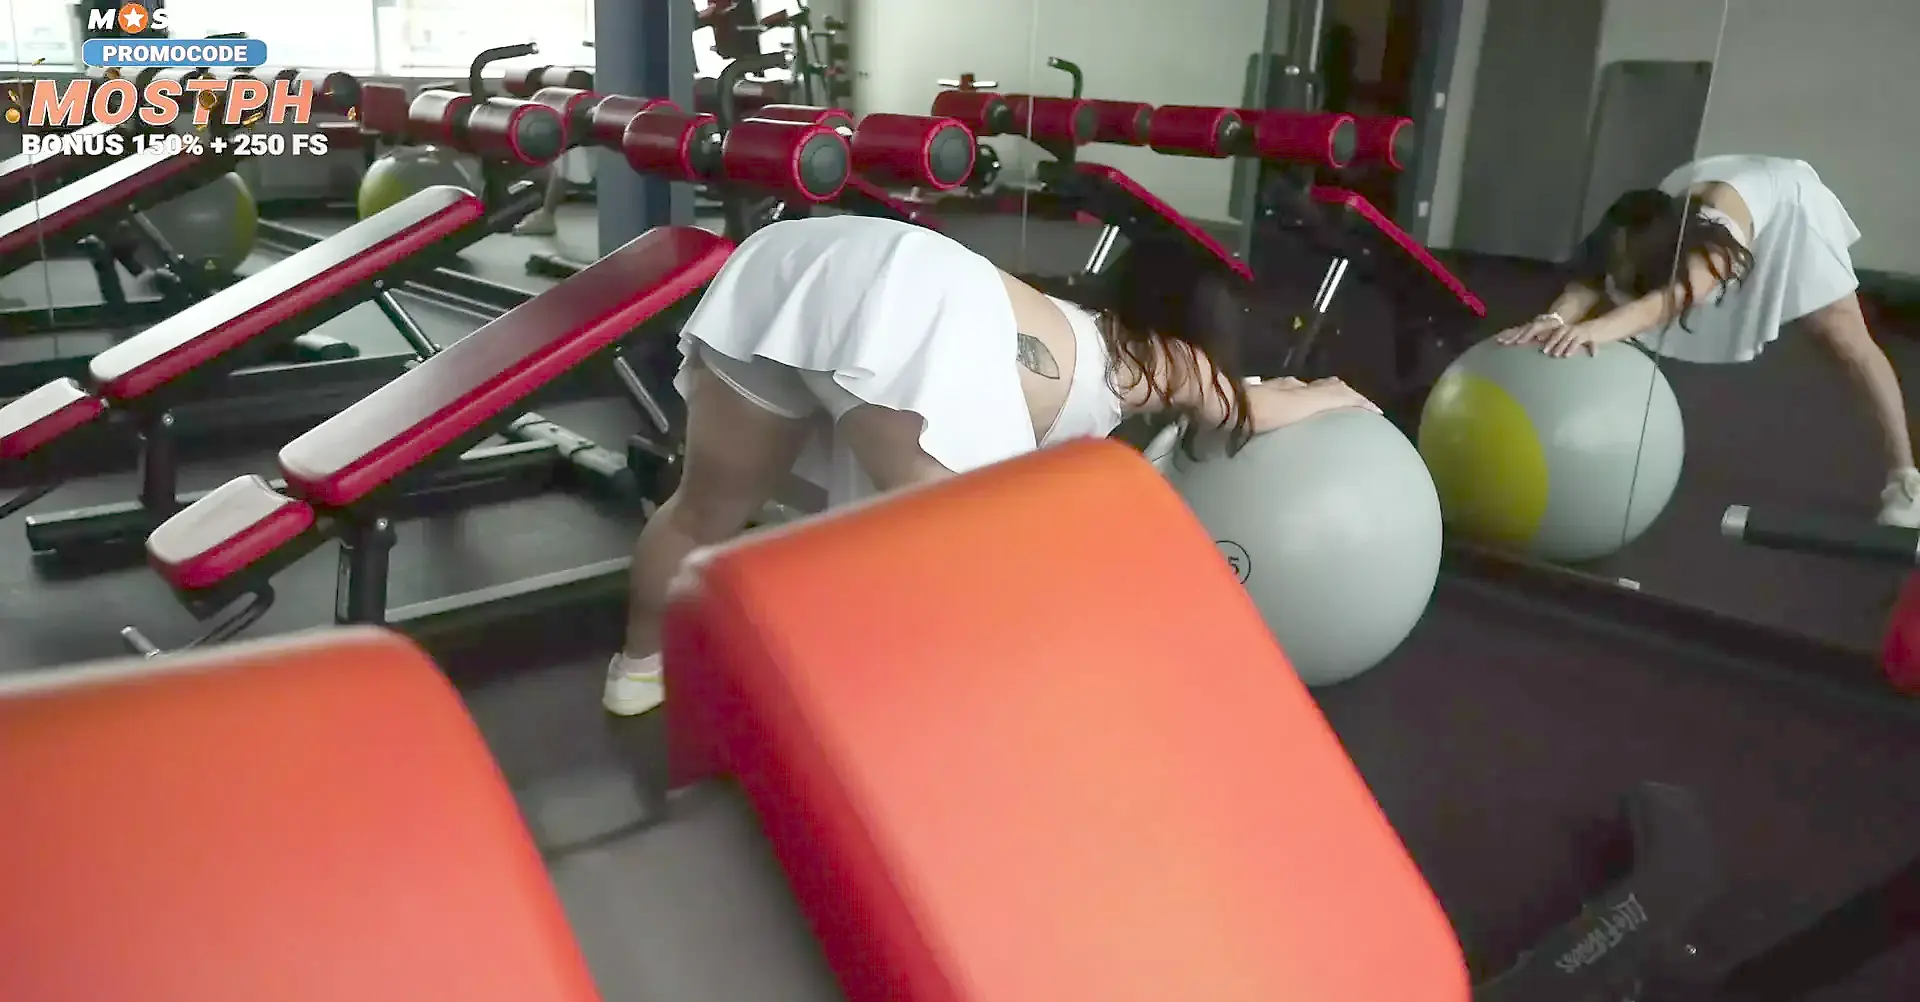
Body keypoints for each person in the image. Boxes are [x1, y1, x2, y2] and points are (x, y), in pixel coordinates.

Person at [602, 214, 1380, 715]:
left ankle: (637, 672)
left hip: (790, 259)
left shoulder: (1077, 321)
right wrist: (1331, 395)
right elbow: (1249, 409)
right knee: (950, 567)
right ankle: (869, 743)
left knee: (703, 511)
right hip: (908, 294)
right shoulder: (1169, 359)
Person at [1497, 154, 1919, 527]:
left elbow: (1674, 299)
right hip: (1724, 186)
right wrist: (1553, 319)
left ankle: (1906, 483)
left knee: (1844, 340)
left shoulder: (1715, 238)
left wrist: (1593, 329)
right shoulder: (1639, 216)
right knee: (1611, 317)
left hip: (1790, 207)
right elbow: (1592, 276)